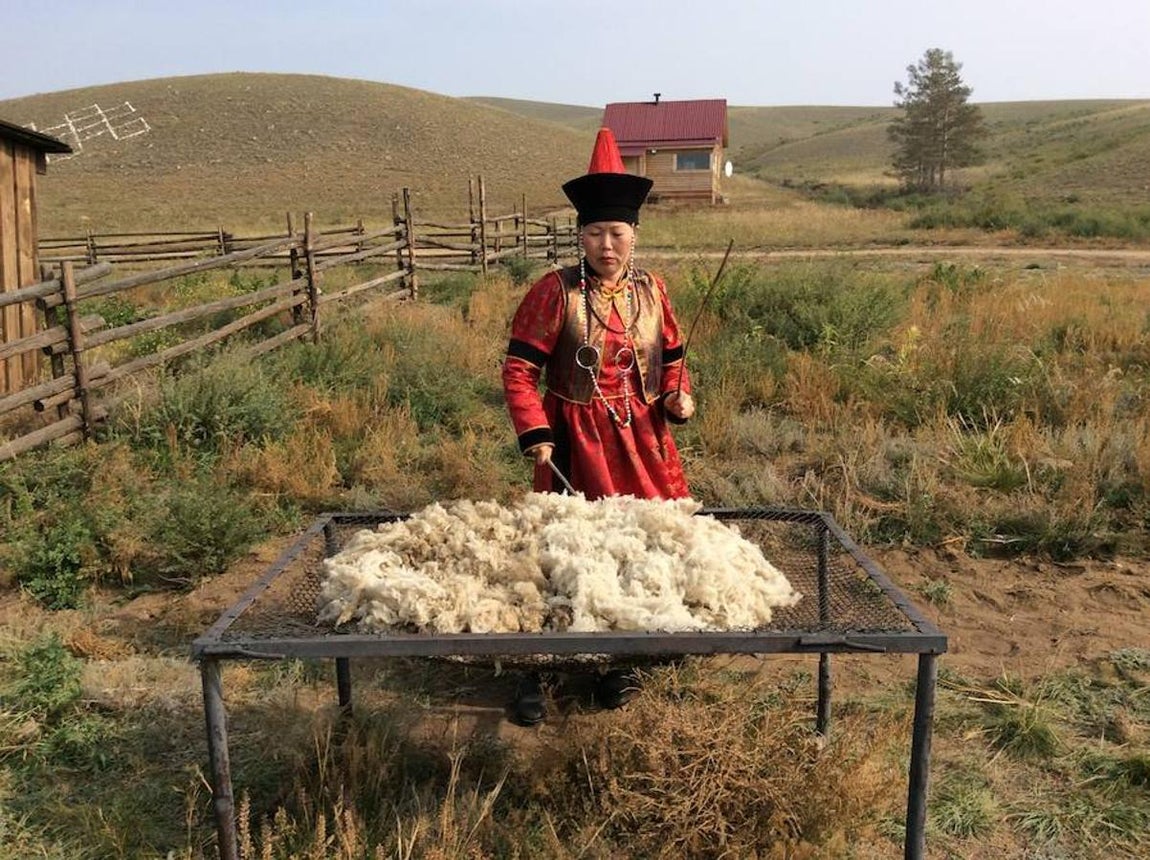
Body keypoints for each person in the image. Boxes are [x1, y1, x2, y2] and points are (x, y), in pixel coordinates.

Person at [501, 127, 695, 725]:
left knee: (645, 545)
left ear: (634, 234)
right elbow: (518, 369)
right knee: (566, 548)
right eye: (594, 233)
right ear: (580, 235)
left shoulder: (654, 290)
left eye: (617, 233)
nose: (606, 245)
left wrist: (678, 397)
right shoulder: (553, 292)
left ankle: (621, 659)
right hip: (576, 440)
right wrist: (536, 434)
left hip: (643, 441)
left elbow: (674, 359)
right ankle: (539, 667)